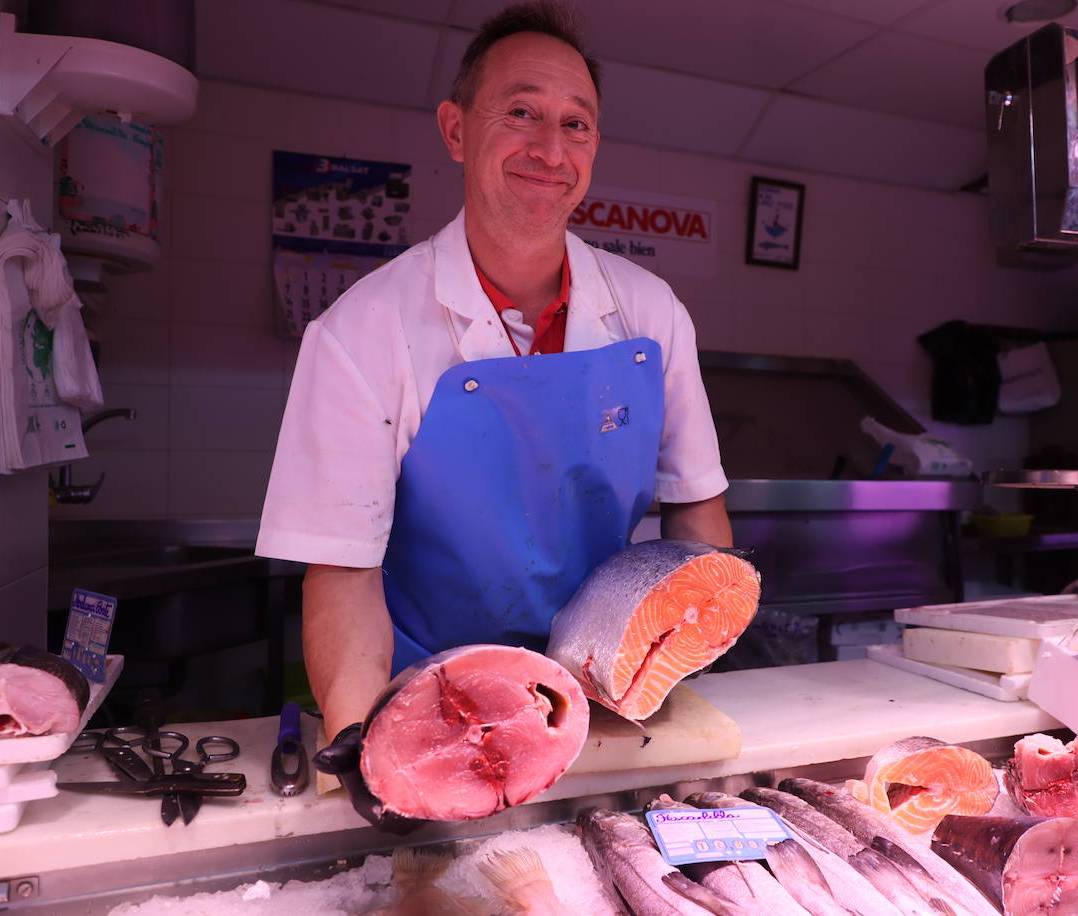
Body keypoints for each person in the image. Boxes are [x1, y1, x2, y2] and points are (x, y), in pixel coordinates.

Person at [256, 2, 731, 827]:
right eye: (521, 113)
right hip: (431, 703)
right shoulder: (362, 332)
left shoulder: (652, 316)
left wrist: (664, 668)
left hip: (609, 707)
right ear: (455, 129)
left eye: (576, 124)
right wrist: (370, 749)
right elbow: (341, 570)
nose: (551, 149)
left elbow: (697, 515)